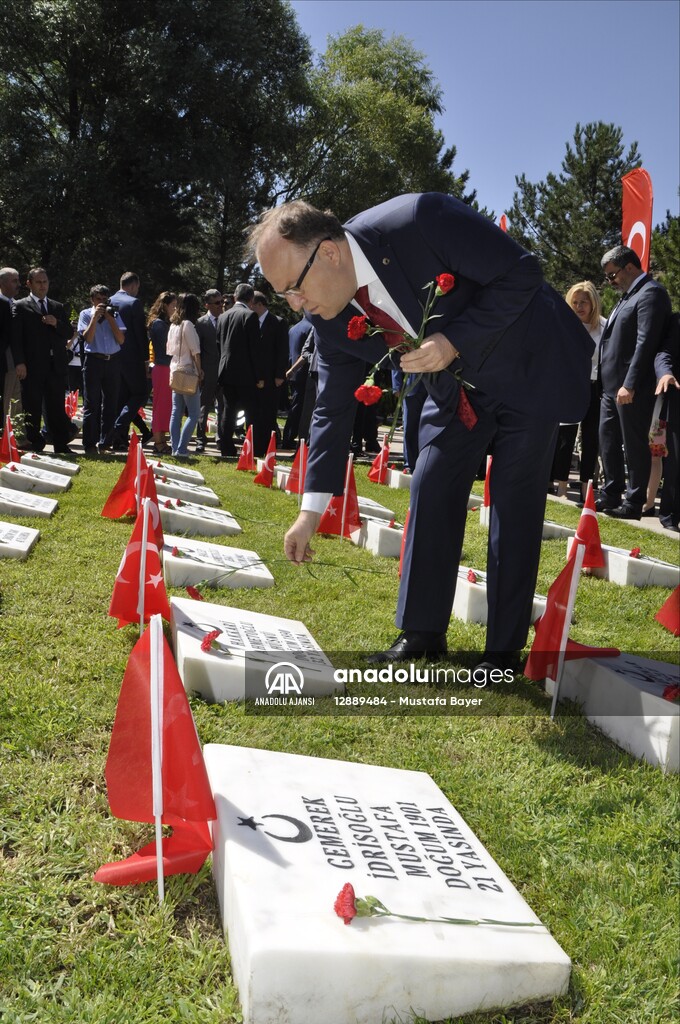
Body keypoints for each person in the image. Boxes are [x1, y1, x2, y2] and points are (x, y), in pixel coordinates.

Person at [248, 194, 592, 671]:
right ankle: (423, 633)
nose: (295, 304)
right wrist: (310, 513)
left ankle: (502, 651)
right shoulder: (327, 322)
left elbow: (521, 272)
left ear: (328, 252)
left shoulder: (418, 220)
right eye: (284, 294)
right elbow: (330, 411)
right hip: (455, 393)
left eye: (294, 288)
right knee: (431, 484)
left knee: (514, 504)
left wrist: (453, 341)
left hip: (525, 365)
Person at [596, 245, 672, 519]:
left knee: (634, 443)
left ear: (629, 267)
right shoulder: (627, 295)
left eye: (611, 275)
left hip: (631, 387)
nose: (610, 281)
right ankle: (610, 493)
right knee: (608, 439)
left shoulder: (651, 293)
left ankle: (634, 502)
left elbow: (645, 342)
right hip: (610, 385)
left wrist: (630, 383)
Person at [551, 281, 605, 500]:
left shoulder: (604, 325)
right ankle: (562, 487)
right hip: (570, 386)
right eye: (574, 302)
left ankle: (586, 489)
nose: (579, 306)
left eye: (584, 301)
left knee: (591, 438)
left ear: (593, 303)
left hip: (595, 388)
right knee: (565, 437)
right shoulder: (563, 325)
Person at [11, 267, 74, 453]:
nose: (42, 286)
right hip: (32, 366)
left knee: (56, 406)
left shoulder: (57, 307)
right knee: (32, 405)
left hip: (56, 365)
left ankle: (61, 444)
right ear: (29, 284)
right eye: (38, 282)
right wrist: (19, 362)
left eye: (45, 282)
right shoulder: (21, 306)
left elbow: (69, 333)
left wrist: (56, 323)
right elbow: (16, 339)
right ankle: (35, 442)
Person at [78, 284, 126, 454]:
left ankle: (105, 442)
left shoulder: (115, 314)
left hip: (112, 361)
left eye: (105, 300)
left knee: (111, 404)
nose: (102, 303)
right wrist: (95, 318)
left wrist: (110, 318)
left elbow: (121, 340)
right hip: (94, 361)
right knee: (92, 403)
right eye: (99, 299)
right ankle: (89, 444)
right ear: (92, 300)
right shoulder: (85, 314)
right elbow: (88, 339)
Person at [216, 283, 260, 456]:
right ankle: (250, 447)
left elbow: (219, 344)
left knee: (228, 410)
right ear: (251, 300)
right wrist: (258, 375)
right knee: (251, 411)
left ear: (235, 297)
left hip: (226, 370)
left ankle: (226, 447)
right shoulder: (250, 316)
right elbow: (254, 349)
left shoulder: (223, 316)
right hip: (246, 373)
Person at [109, 272, 152, 450]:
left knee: (121, 398)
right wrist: (146, 360)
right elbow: (140, 334)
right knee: (140, 394)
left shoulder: (108, 301)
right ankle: (119, 426)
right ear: (134, 285)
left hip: (112, 356)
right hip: (131, 357)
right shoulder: (134, 303)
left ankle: (119, 440)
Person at [251, 291, 288, 455]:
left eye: (252, 305)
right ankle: (254, 446)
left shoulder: (278, 322)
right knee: (255, 412)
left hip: (272, 377)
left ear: (259, 304)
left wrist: (280, 375)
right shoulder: (251, 322)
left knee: (268, 412)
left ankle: (265, 447)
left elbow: (282, 350)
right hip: (254, 376)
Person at [653, 312, 680, 532]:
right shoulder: (677, 321)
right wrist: (665, 373)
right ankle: (670, 515)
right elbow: (664, 354)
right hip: (677, 398)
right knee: (676, 463)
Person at [167, 292, 202, 457]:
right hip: (188, 370)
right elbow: (195, 351)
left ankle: (175, 448)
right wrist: (200, 370)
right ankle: (181, 448)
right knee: (194, 413)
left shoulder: (173, 325)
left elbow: (169, 350)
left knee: (176, 412)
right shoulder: (188, 324)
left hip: (175, 369)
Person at [147, 291, 177, 454]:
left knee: (165, 406)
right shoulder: (159, 324)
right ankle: (158, 442)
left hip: (165, 368)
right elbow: (168, 348)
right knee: (161, 406)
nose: (175, 309)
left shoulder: (162, 323)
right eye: (173, 305)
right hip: (163, 368)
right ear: (165, 305)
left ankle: (161, 440)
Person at [195, 289, 223, 453]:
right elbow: (197, 349)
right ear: (207, 305)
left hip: (223, 371)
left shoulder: (226, 319)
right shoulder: (200, 323)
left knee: (223, 407)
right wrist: (200, 370)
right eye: (217, 303)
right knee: (203, 407)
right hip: (207, 371)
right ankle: (200, 439)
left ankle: (220, 438)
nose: (221, 305)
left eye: (222, 302)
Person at [0, 267, 21, 420]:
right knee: (4, 400)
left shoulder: (16, 304)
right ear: (2, 283)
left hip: (17, 361)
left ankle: (17, 436)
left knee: (18, 400)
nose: (18, 284)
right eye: (14, 281)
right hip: (3, 360)